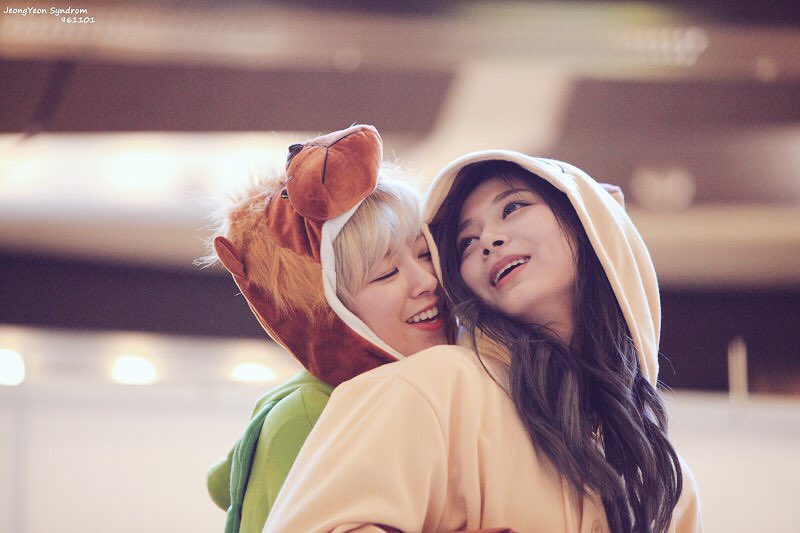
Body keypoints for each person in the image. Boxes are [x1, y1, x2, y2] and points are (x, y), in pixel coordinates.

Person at [264, 151, 701, 532]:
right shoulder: (431, 387)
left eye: (513, 207)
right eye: (467, 242)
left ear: (587, 221)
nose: (489, 240)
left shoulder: (665, 478)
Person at [204, 125, 447, 533]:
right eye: (386, 273)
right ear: (329, 313)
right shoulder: (309, 416)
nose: (427, 280)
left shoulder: (421, 394)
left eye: (425, 254)